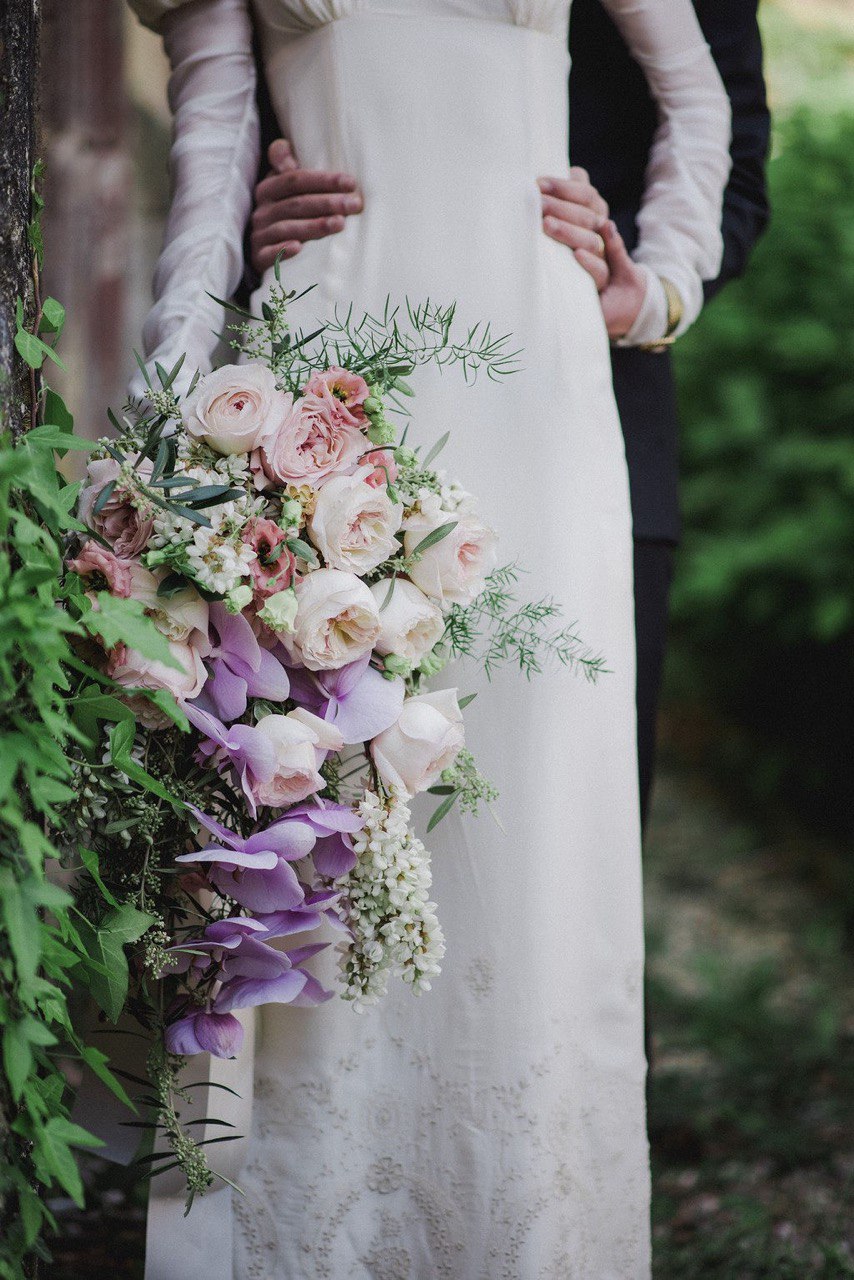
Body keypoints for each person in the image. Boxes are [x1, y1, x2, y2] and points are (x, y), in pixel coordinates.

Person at [127, 1, 731, 1276]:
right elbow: (211, 148)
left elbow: (697, 93)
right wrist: (171, 428)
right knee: (318, 799)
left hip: (538, 375)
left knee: (533, 809)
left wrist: (654, 284)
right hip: (328, 372)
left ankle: (523, 1233)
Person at [247, 0, 771, 829]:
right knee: (319, 783)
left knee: (563, 812)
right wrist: (253, 219)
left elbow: (729, 147)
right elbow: (239, 101)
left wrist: (652, 293)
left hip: (575, 396)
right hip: (336, 390)